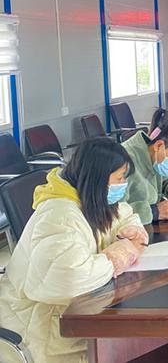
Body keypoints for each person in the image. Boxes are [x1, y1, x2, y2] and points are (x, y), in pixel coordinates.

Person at [0, 138, 148, 363]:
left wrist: (132, 232)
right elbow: (68, 278)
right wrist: (120, 254)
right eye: (120, 178)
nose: (123, 184)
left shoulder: (91, 199)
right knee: (123, 348)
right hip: (40, 322)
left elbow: (124, 214)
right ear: (98, 178)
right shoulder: (60, 215)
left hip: (75, 310)